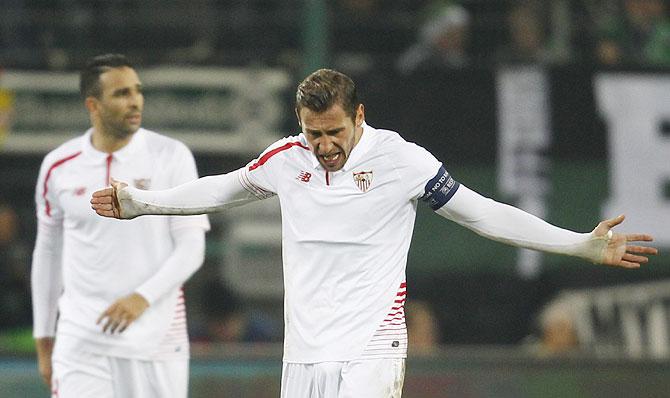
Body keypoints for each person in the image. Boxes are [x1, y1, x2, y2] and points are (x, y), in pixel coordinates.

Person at [91, 68, 657, 397]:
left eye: (334, 130)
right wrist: (142, 203)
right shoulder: (287, 160)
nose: (324, 145)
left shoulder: (402, 162)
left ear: (358, 115)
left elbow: (483, 213)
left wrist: (578, 243)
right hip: (304, 354)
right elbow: (221, 190)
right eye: (313, 133)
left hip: (372, 346)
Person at [31, 53, 209, 397]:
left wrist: (142, 298)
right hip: (81, 339)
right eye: (121, 93)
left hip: (156, 339)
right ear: (93, 105)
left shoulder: (171, 156)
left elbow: (192, 248)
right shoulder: (58, 166)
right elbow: (48, 254)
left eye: (137, 91)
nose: (135, 101)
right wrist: (44, 339)